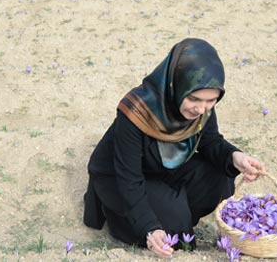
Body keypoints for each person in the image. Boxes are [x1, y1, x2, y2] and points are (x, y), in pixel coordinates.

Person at [83, 38, 266, 258]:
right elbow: (129, 178)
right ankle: (121, 220)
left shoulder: (201, 105)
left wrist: (236, 157)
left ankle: (172, 208)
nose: (201, 108)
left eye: (211, 101)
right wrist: (149, 227)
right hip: (120, 177)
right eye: (194, 99)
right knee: (173, 230)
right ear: (176, 84)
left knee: (221, 179)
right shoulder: (136, 112)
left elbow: (210, 142)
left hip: (162, 166)